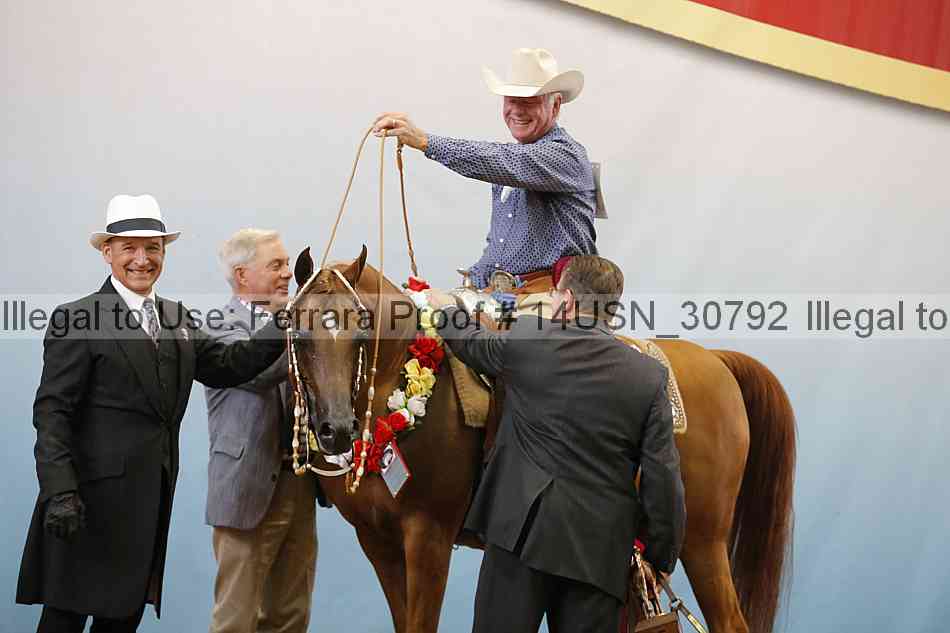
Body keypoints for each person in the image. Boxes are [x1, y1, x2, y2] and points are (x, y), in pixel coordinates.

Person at [16, 195, 287, 633]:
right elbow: (52, 413)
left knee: (124, 619)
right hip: (82, 506)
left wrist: (286, 323)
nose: (142, 260)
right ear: (108, 252)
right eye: (129, 248)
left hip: (147, 506)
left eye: (153, 248)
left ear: (163, 252)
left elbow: (229, 366)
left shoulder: (177, 318)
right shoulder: (78, 318)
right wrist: (59, 492)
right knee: (63, 620)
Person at [430, 255, 686, 633]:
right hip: (599, 557)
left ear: (566, 300)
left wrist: (444, 309)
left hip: (519, 537)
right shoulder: (650, 376)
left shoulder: (528, 338)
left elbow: (470, 342)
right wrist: (660, 558)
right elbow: (663, 480)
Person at [372, 48, 598, 315]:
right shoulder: (510, 166)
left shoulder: (565, 155)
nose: (516, 110)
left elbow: (500, 159)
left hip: (553, 297)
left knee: (511, 338)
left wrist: (424, 141)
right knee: (424, 315)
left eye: (528, 102)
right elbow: (500, 245)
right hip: (507, 296)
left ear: (555, 105)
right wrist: (469, 282)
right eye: (511, 101)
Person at [205, 229, 320, 633]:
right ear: (242, 275)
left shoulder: (294, 324)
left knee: (291, 616)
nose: (288, 273)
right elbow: (254, 373)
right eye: (276, 265)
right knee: (236, 619)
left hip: (298, 484)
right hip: (246, 487)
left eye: (287, 264)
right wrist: (306, 331)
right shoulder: (219, 326)